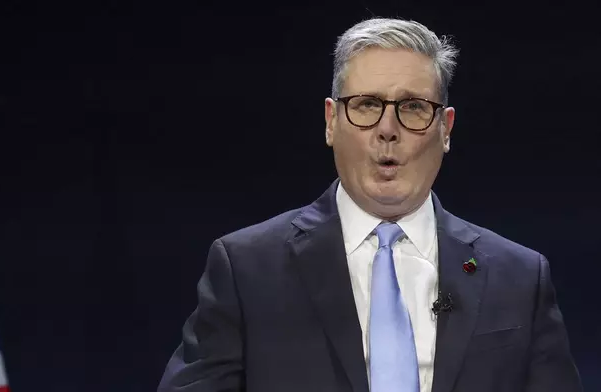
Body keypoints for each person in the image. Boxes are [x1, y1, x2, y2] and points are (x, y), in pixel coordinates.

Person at [157, 17, 582, 392]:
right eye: (367, 105)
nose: (387, 130)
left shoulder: (520, 278)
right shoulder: (246, 269)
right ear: (331, 121)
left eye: (414, 108)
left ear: (445, 128)